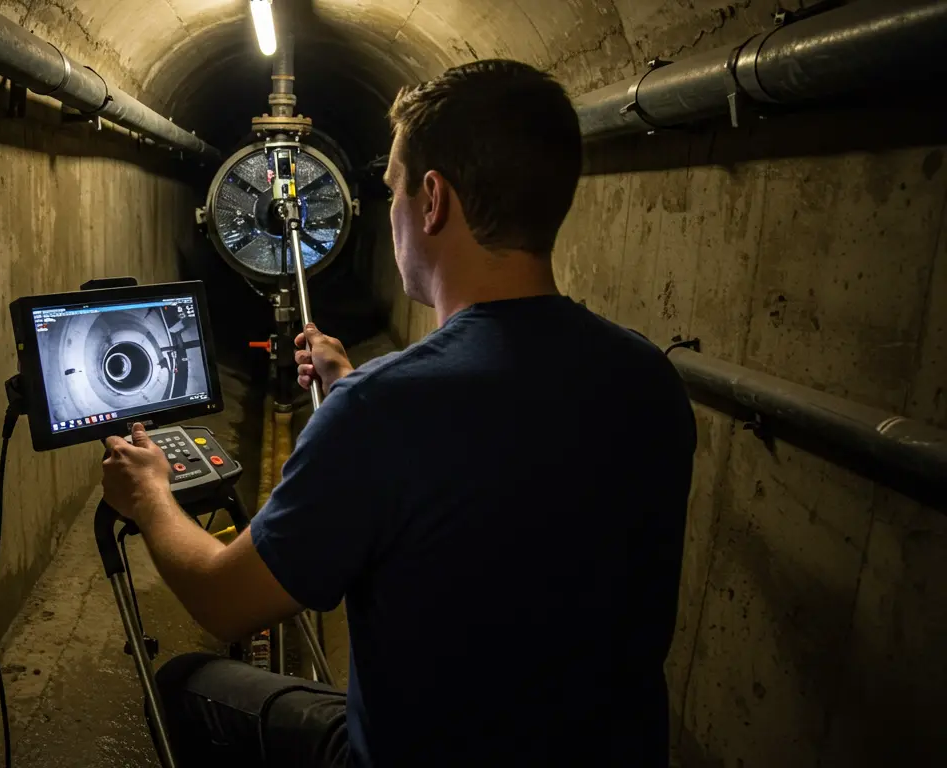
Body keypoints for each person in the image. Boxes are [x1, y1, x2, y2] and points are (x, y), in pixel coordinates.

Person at [101, 59, 695, 767]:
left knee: (187, 685)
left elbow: (224, 600)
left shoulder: (383, 411)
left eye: (393, 190)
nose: (390, 213)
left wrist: (150, 497)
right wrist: (353, 380)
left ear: (433, 200)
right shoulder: (647, 378)